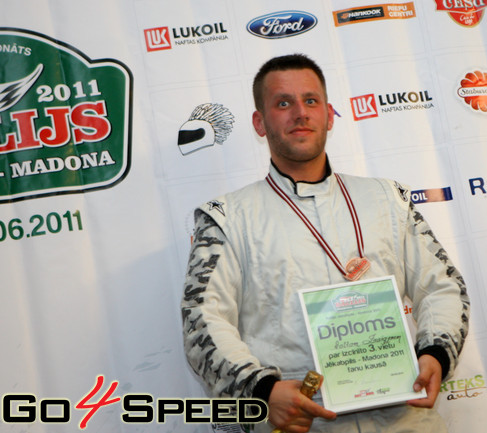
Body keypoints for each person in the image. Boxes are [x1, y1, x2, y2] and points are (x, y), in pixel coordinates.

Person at [181, 53, 470, 433]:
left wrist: (435, 354)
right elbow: (203, 320)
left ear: (330, 115)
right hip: (302, 422)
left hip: (406, 418)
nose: (300, 113)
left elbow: (443, 287)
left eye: (311, 101)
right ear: (259, 122)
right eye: (283, 103)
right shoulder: (226, 218)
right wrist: (262, 391)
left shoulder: (388, 199)